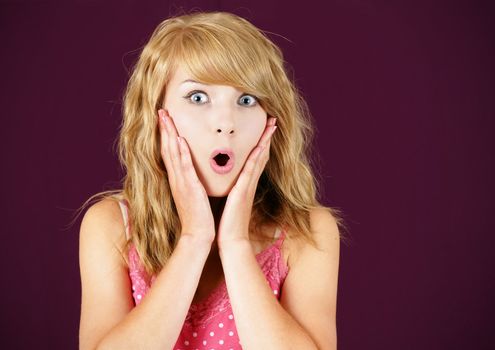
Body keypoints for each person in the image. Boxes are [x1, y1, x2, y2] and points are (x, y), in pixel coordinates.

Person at [78, 10, 346, 350]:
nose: (225, 122)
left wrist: (235, 246)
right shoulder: (112, 225)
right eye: (198, 97)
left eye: (246, 100)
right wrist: (194, 239)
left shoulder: (308, 232)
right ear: (155, 115)